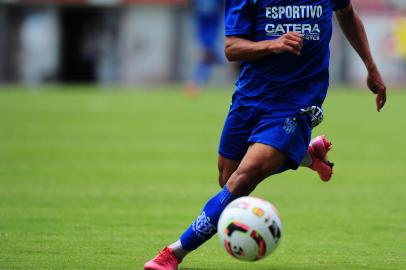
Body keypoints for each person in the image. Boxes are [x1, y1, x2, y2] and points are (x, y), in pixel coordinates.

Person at [145, 0, 387, 269]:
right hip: (251, 96)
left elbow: (348, 14)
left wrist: (371, 66)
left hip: (298, 101)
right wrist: (272, 44)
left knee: (243, 179)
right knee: (228, 177)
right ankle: (306, 155)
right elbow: (231, 48)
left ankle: (174, 253)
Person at [184, 0, 225, 96]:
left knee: (208, 51)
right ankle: (196, 82)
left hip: (213, 19)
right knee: (207, 51)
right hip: (203, 19)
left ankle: (196, 82)